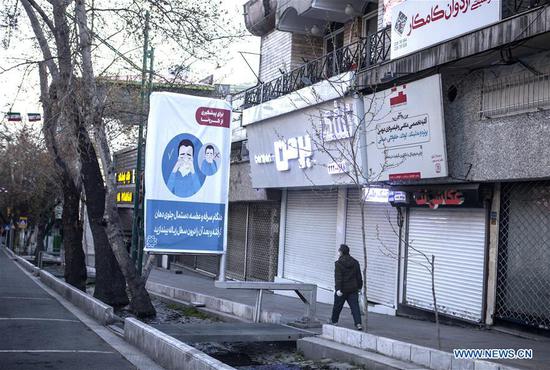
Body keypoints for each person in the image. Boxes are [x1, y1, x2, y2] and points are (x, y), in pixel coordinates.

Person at [330, 244, 363, 330]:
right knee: (355, 307)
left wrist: (338, 289)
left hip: (342, 289)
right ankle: (358, 323)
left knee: (337, 306)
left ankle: (334, 321)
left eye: (339, 251)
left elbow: (338, 278)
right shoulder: (355, 262)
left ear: (341, 252)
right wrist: (359, 287)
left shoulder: (338, 263)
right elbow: (359, 276)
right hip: (353, 289)